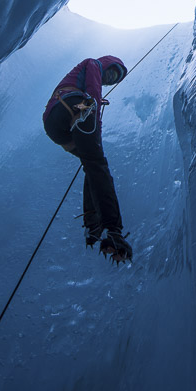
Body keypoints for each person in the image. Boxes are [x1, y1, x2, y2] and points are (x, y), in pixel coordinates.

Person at [43, 56, 133, 264]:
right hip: (74, 106)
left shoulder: (81, 82)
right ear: (108, 63)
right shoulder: (94, 63)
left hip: (55, 125)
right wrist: (95, 115)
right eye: (112, 72)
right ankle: (112, 229)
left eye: (113, 79)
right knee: (97, 164)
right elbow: (94, 86)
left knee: (92, 166)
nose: (110, 78)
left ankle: (94, 227)